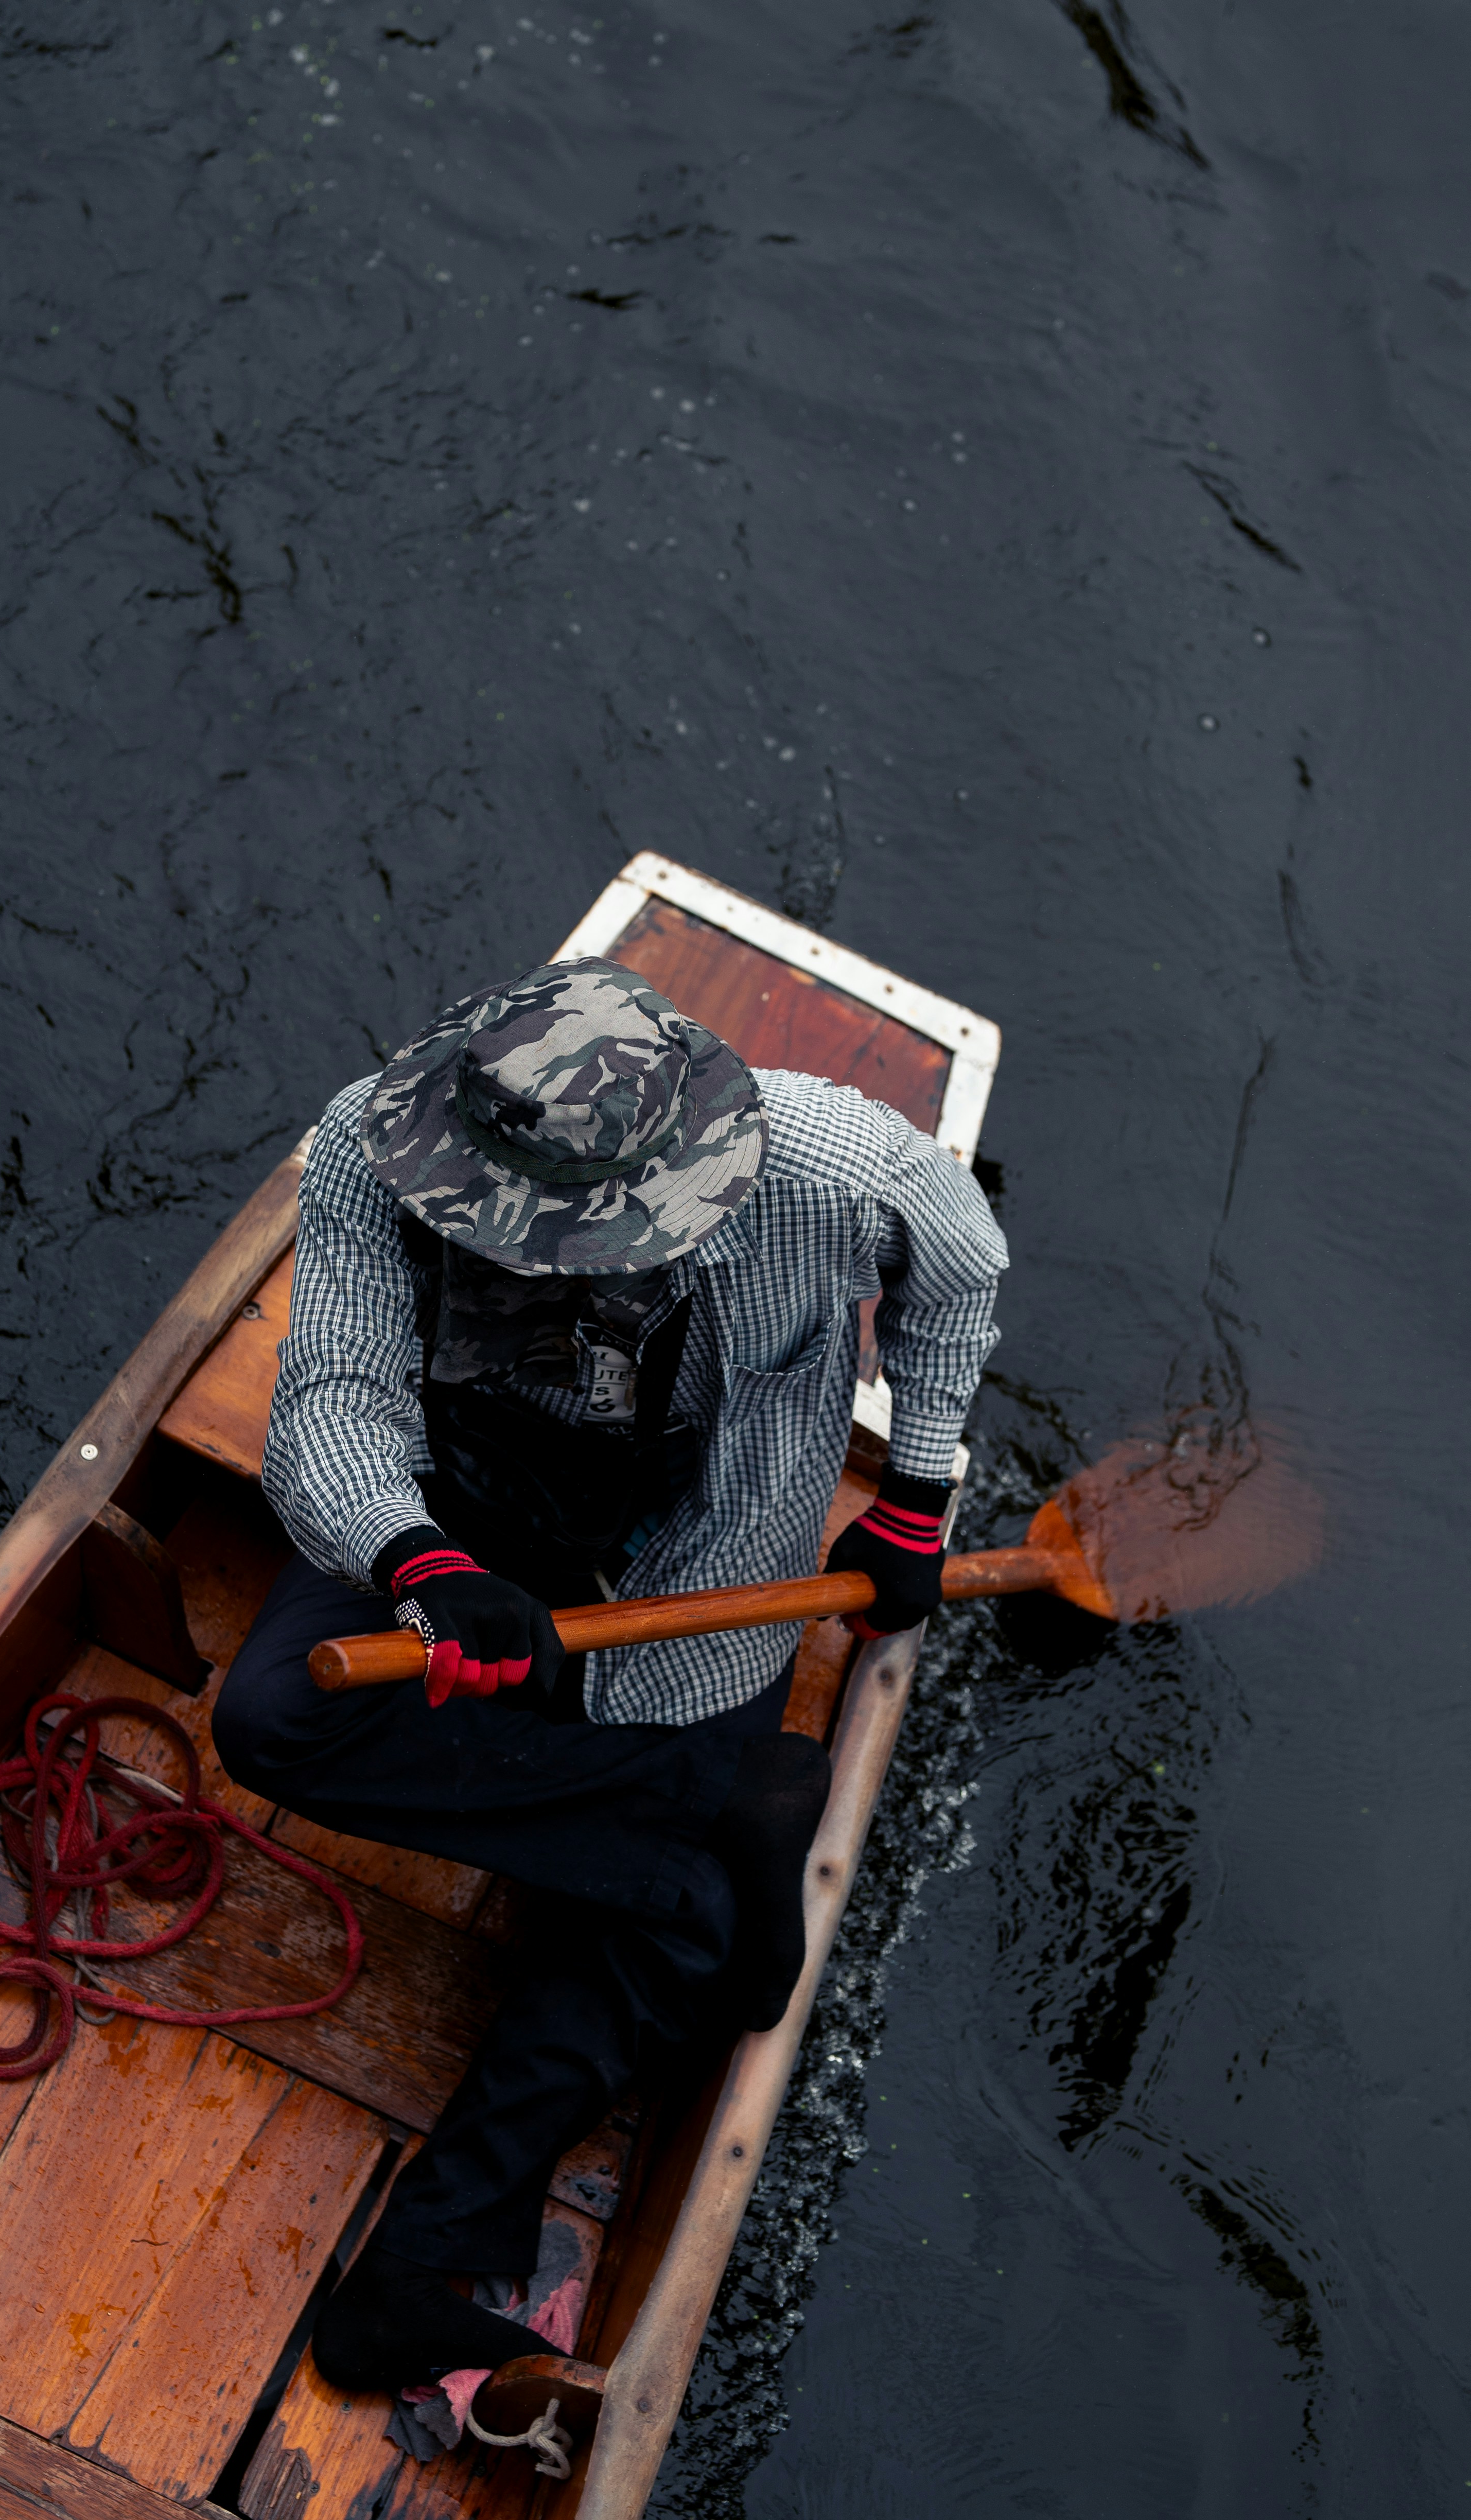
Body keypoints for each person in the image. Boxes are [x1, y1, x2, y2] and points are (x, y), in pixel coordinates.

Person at [213, 955, 1007, 2393]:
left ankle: (418, 2261)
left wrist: (919, 1496)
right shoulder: (363, 1144)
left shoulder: (834, 1163)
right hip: (462, 1516)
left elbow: (964, 1266)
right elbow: (332, 1394)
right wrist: (420, 1564)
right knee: (271, 1718)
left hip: (705, 1567)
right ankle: (715, 1812)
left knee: (642, 1935)